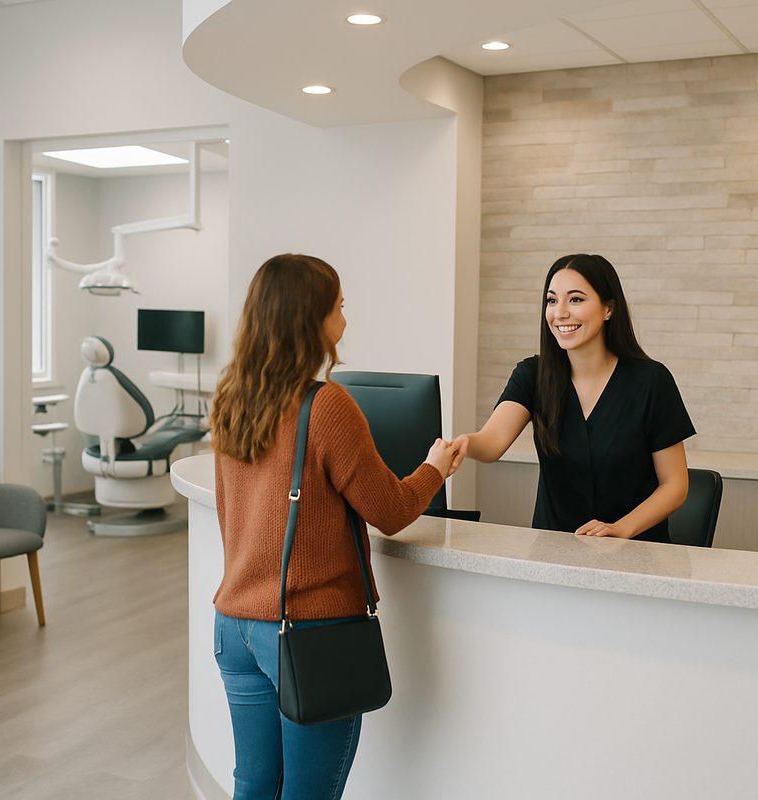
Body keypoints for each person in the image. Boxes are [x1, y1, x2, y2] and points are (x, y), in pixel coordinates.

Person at [208, 252, 459, 799]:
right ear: (311, 317)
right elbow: (391, 512)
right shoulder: (326, 406)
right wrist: (434, 469)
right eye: (338, 304)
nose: (345, 314)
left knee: (253, 787)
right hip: (309, 632)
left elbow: (233, 513)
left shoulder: (230, 399)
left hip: (235, 624)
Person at [453, 253, 694, 542]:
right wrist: (461, 444)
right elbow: (491, 443)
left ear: (608, 309)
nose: (560, 312)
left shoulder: (652, 381)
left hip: (634, 554)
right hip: (554, 555)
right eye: (552, 300)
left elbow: (675, 484)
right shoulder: (532, 375)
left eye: (576, 300)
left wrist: (621, 529)